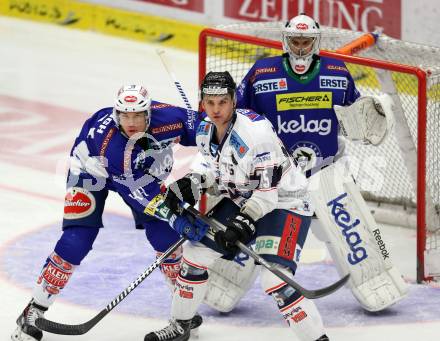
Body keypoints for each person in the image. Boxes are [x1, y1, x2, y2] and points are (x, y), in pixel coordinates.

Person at [226, 13, 407, 312]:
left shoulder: (337, 70)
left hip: (327, 170)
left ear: (316, 42)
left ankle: (377, 284)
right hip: (277, 174)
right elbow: (239, 116)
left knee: (349, 234)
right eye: (294, 41)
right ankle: (224, 280)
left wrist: (369, 118)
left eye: (306, 41)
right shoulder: (262, 72)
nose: (299, 48)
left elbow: (354, 117)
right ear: (285, 42)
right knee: (252, 224)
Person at [11, 84, 207, 341]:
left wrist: (208, 140)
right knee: (77, 240)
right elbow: (141, 194)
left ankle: (183, 312)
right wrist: (177, 215)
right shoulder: (112, 145)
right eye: (125, 115)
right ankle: (32, 310)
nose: (131, 122)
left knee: (166, 239)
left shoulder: (170, 118)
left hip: (141, 173)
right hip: (91, 172)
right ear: (117, 115)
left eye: (137, 115)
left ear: (149, 113)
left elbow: (210, 130)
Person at [144, 71, 329, 341]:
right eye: (210, 102)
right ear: (203, 103)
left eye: (222, 102)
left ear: (233, 101)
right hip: (243, 198)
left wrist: (243, 223)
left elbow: (267, 194)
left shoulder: (257, 132)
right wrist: (191, 183)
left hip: (285, 204)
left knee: (276, 280)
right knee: (194, 256)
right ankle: (182, 324)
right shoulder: (205, 129)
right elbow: (209, 166)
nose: (216, 109)